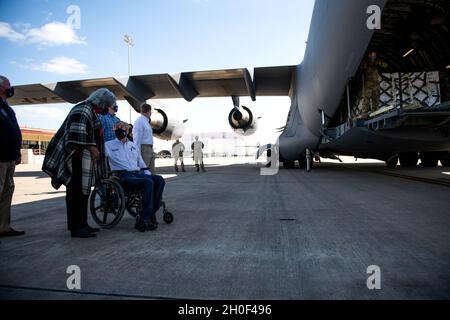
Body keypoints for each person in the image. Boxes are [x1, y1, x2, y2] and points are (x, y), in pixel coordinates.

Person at [43, 88, 115, 238]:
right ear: (101, 104)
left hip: (83, 160)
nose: (107, 109)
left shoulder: (91, 111)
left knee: (83, 193)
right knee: (75, 193)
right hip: (74, 159)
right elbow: (76, 134)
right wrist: (92, 147)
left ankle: (83, 224)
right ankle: (76, 228)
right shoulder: (83, 109)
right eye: (107, 106)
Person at [105, 125, 165, 232]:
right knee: (148, 182)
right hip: (123, 176)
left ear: (127, 130)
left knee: (159, 180)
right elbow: (98, 158)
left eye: (122, 127)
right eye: (117, 127)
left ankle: (151, 213)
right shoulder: (108, 145)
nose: (120, 129)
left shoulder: (133, 146)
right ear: (114, 130)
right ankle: (144, 219)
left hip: (138, 173)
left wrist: (148, 173)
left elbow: (141, 163)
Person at [0, 76, 25, 238]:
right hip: (1, 157)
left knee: (7, 191)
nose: (11, 88)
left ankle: (3, 227)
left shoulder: (5, 105)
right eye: (8, 85)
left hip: (10, 157)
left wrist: (16, 153)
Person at [133, 103, 155, 173]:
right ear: (149, 112)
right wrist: (137, 154)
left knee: (151, 172)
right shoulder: (139, 122)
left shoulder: (145, 121)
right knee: (144, 172)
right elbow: (137, 140)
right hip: (144, 149)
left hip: (149, 149)